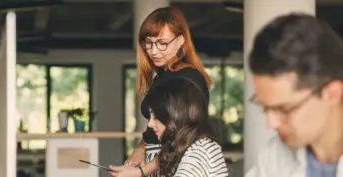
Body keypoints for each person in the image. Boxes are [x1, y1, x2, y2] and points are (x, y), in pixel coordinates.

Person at [109, 6, 211, 177]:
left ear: (181, 40)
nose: (154, 51)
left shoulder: (187, 80)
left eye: (162, 43)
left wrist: (141, 171)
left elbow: (184, 142)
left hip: (174, 165)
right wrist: (140, 150)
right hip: (158, 164)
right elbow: (158, 130)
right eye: (149, 43)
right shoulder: (162, 77)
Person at [246, 13, 343, 177]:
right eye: (265, 107)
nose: (271, 124)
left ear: (332, 93)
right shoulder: (275, 157)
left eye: (284, 109)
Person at [109, 77, 229, 177]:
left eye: (155, 117)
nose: (150, 124)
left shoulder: (199, 151)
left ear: (175, 115)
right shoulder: (186, 146)